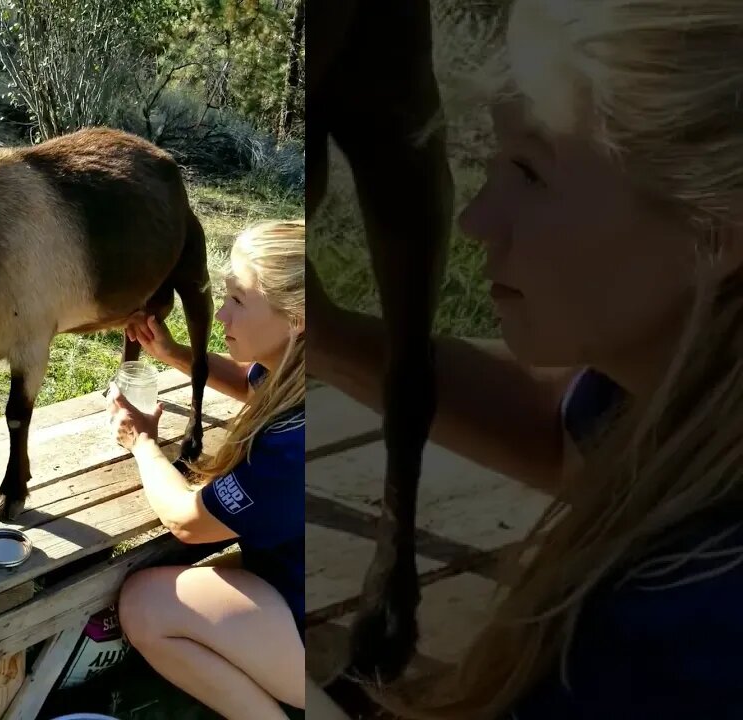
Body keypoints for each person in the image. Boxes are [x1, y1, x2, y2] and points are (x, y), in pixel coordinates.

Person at [307, 0, 743, 718]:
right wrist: (327, 338)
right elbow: (564, 428)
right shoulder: (685, 392)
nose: (475, 220)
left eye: (531, 172)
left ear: (712, 234)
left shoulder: (675, 644)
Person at [104, 219, 306, 720]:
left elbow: (187, 522)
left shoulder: (295, 449)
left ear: (298, 316)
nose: (220, 313)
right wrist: (174, 354)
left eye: (237, 299)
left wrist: (142, 443)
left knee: (145, 603)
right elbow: (253, 382)